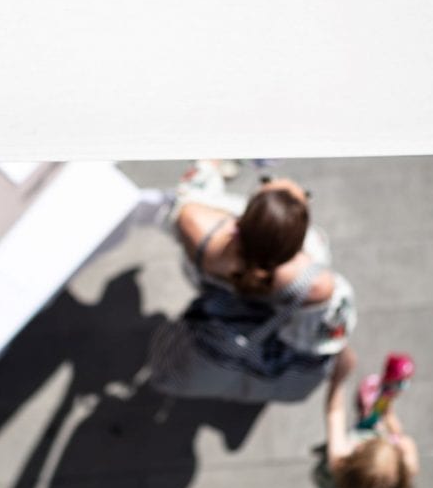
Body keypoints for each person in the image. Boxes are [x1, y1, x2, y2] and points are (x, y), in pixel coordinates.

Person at [147, 164, 356, 402]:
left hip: (214, 326)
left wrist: (212, 164)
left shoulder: (195, 226)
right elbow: (318, 338)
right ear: (295, 247)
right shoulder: (315, 283)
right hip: (273, 340)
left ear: (241, 221)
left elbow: (188, 194)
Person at [310, 348, 419, 488]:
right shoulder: (407, 470)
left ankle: (379, 413)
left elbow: (335, 412)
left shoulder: (339, 461)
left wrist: (339, 377)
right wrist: (398, 437)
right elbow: (407, 445)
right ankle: (383, 411)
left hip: (336, 487)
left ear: (358, 449)